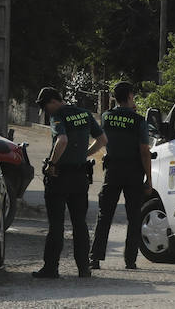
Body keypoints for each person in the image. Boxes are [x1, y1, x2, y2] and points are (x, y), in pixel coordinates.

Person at [32, 86, 106, 280]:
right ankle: (83, 268)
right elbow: (102, 139)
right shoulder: (84, 114)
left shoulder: (58, 116)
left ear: (53, 101)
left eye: (45, 106)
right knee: (79, 224)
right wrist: (84, 154)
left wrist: (52, 163)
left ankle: (51, 269)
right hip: (80, 178)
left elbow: (62, 140)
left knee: (56, 225)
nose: (46, 111)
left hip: (59, 177)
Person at [91, 81, 153, 270]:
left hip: (113, 170)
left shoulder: (107, 117)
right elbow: (144, 150)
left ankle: (95, 258)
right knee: (133, 216)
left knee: (104, 215)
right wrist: (149, 178)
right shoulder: (139, 120)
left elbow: (102, 142)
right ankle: (130, 260)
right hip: (133, 172)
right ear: (129, 97)